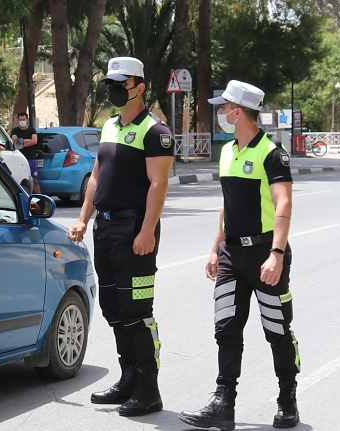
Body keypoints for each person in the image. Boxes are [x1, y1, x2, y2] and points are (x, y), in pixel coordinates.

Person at [178, 80, 299, 430]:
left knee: (277, 330)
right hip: (232, 253)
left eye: (223, 107)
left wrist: (276, 252)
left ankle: (287, 400)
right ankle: (223, 403)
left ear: (239, 111)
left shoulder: (272, 153)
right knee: (226, 329)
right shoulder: (228, 151)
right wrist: (215, 248)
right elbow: (227, 205)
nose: (219, 113)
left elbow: (283, 203)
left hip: (264, 253)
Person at [68, 56, 174, 417]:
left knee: (137, 311)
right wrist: (84, 219)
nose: (113, 89)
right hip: (106, 229)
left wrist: (146, 231)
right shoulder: (109, 127)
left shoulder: (156, 132)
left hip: (135, 230)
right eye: (110, 83)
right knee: (114, 308)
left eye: (120, 84)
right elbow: (96, 176)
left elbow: (158, 185)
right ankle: (128, 378)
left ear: (139, 87)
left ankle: (149, 388)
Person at [11, 112, 40, 193]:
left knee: (35, 181)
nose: (22, 121)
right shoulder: (15, 130)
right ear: (18, 120)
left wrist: (21, 143)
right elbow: (15, 142)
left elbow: (34, 141)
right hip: (19, 159)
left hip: (30, 158)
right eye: (20, 120)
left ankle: (40, 200)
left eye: (24, 119)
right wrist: (27, 140)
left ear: (27, 119)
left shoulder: (32, 130)